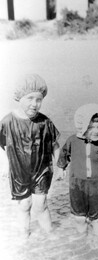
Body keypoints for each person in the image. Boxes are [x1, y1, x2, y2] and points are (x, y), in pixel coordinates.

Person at [0, 74, 60, 238]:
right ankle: (24, 236)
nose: (34, 104)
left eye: (39, 99)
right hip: (19, 170)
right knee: (24, 205)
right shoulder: (7, 121)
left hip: (41, 169)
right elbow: (1, 145)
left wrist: (60, 166)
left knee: (41, 204)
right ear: (19, 97)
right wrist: (5, 165)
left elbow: (55, 145)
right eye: (30, 98)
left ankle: (50, 236)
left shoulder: (44, 122)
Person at [57, 103, 98, 237]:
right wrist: (61, 168)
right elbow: (64, 154)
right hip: (77, 184)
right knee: (79, 217)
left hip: (97, 186)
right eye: (91, 127)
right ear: (81, 126)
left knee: (97, 218)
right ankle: (82, 242)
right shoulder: (72, 140)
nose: (96, 131)